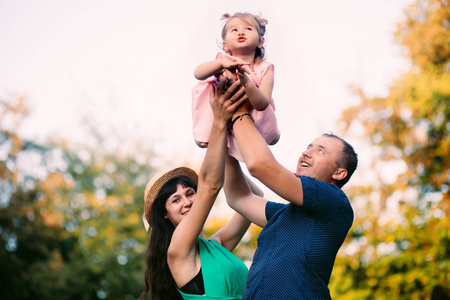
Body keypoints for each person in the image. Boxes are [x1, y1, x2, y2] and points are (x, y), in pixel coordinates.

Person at [217, 97, 358, 299]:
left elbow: (259, 165)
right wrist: (224, 134)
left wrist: (238, 110)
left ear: (339, 173)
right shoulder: (284, 214)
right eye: (309, 146)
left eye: (320, 151)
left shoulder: (335, 202)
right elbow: (238, 198)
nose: (306, 153)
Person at [140, 78, 260, 300]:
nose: (186, 202)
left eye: (189, 193)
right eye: (175, 200)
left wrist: (228, 147)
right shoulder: (178, 250)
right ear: (164, 214)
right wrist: (219, 122)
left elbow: (253, 199)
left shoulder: (217, 246)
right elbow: (210, 185)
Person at [192, 12, 280, 161]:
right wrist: (220, 65)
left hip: (250, 117)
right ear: (225, 45)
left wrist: (246, 81)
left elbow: (262, 103)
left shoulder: (264, 69)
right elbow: (198, 73)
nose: (241, 32)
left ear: (260, 41)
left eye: (248, 29)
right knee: (204, 86)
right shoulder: (222, 61)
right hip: (223, 112)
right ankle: (207, 132)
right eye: (234, 30)